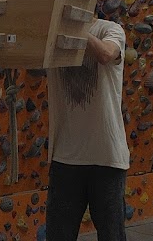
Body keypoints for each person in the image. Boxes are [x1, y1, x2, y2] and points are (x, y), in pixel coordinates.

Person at [46, 18, 130, 241]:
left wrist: (72, 27)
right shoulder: (52, 32)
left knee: (112, 236)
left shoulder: (110, 29)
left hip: (106, 158)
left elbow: (106, 54)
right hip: (65, 157)